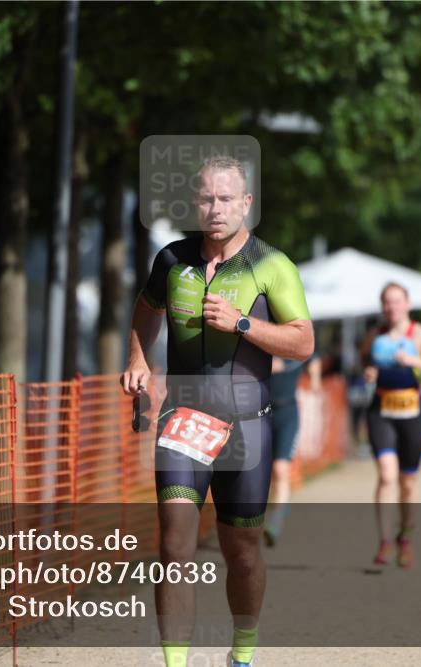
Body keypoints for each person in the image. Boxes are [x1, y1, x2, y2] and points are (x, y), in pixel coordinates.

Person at [121, 156, 313, 667]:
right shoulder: (171, 260)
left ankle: (242, 654)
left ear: (246, 203)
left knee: (242, 554)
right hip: (183, 420)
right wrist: (138, 359)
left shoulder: (272, 265)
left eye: (226, 199)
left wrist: (242, 324)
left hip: (248, 427)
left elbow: (302, 343)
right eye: (206, 198)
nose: (215, 208)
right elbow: (147, 308)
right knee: (174, 547)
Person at [360, 283, 421, 569]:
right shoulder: (375, 335)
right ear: (382, 306)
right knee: (387, 476)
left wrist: (414, 360)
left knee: (407, 483)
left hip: (411, 412)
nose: (392, 307)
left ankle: (405, 538)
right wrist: (368, 371)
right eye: (387, 302)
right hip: (381, 411)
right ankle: (385, 541)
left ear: (407, 304)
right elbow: (364, 360)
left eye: (397, 301)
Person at [263, 355, 321, 547]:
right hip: (260, 412)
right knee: (262, 471)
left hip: (287, 412)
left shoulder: (294, 340)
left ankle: (275, 522)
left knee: (281, 469)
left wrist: (315, 379)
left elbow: (313, 356)